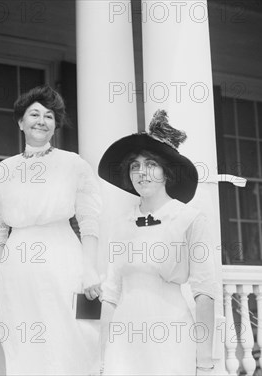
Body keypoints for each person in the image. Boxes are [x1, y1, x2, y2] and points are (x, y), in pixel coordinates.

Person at [0, 85, 103, 375]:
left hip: (63, 259)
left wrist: (90, 269)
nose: (41, 120)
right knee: (24, 345)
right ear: (20, 122)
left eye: (49, 116)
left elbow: (90, 221)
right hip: (18, 268)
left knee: (73, 339)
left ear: (55, 124)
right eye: (34, 114)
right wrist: (1, 275)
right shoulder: (4, 171)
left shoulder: (72, 164)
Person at [93, 110, 218, 375]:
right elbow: (111, 294)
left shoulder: (189, 219)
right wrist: (102, 358)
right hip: (124, 341)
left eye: (151, 164)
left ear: (167, 172)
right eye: (135, 165)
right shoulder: (120, 224)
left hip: (171, 337)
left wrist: (204, 362)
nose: (142, 172)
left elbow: (204, 292)